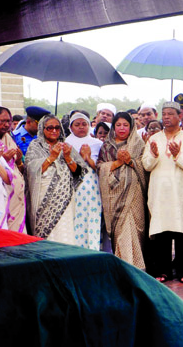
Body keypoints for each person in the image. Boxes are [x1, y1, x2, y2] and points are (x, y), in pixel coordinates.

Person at [142, 102, 183, 283]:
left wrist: (177, 156)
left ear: (179, 115)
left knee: (181, 231)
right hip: (160, 192)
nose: (166, 117)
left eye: (170, 114)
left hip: (179, 192)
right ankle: (164, 270)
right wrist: (152, 154)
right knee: (161, 232)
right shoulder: (153, 139)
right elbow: (146, 165)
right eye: (164, 114)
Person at [97, 112, 148, 269]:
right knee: (122, 232)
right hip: (114, 196)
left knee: (134, 230)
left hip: (134, 195)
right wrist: (118, 162)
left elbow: (146, 167)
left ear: (132, 127)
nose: (122, 128)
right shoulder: (107, 146)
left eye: (125, 125)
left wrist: (131, 161)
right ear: (113, 127)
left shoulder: (138, 144)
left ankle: (137, 267)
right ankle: (125, 267)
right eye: (118, 125)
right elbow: (99, 167)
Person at [26, 114, 87, 244]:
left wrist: (68, 157)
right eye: (50, 128)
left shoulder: (66, 146)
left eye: (57, 128)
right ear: (42, 129)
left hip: (64, 199)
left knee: (65, 232)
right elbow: (31, 171)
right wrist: (51, 157)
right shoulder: (35, 146)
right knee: (46, 235)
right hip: (43, 197)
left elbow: (79, 172)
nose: (54, 131)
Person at [0, 106, 27, 232]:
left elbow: (19, 168)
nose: (6, 125)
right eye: (2, 121)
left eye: (8, 121)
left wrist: (19, 160)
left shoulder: (9, 138)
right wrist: (2, 158)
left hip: (16, 194)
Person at [66, 112, 103, 250]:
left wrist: (87, 159)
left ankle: (92, 248)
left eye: (84, 124)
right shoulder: (65, 144)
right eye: (77, 124)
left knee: (92, 217)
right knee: (75, 219)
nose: (81, 127)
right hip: (73, 186)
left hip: (93, 187)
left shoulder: (98, 144)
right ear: (71, 127)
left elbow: (100, 167)